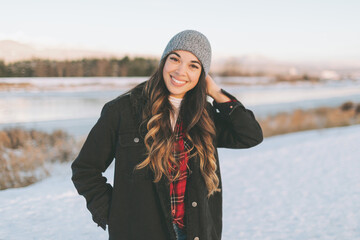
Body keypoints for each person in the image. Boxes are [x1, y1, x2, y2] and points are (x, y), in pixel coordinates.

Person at [71, 29, 263, 240]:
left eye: (193, 65)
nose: (181, 71)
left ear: (202, 75)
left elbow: (250, 135)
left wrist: (217, 93)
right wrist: (115, 214)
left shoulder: (204, 115)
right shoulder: (122, 111)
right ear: (164, 61)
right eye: (175, 59)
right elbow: (85, 169)